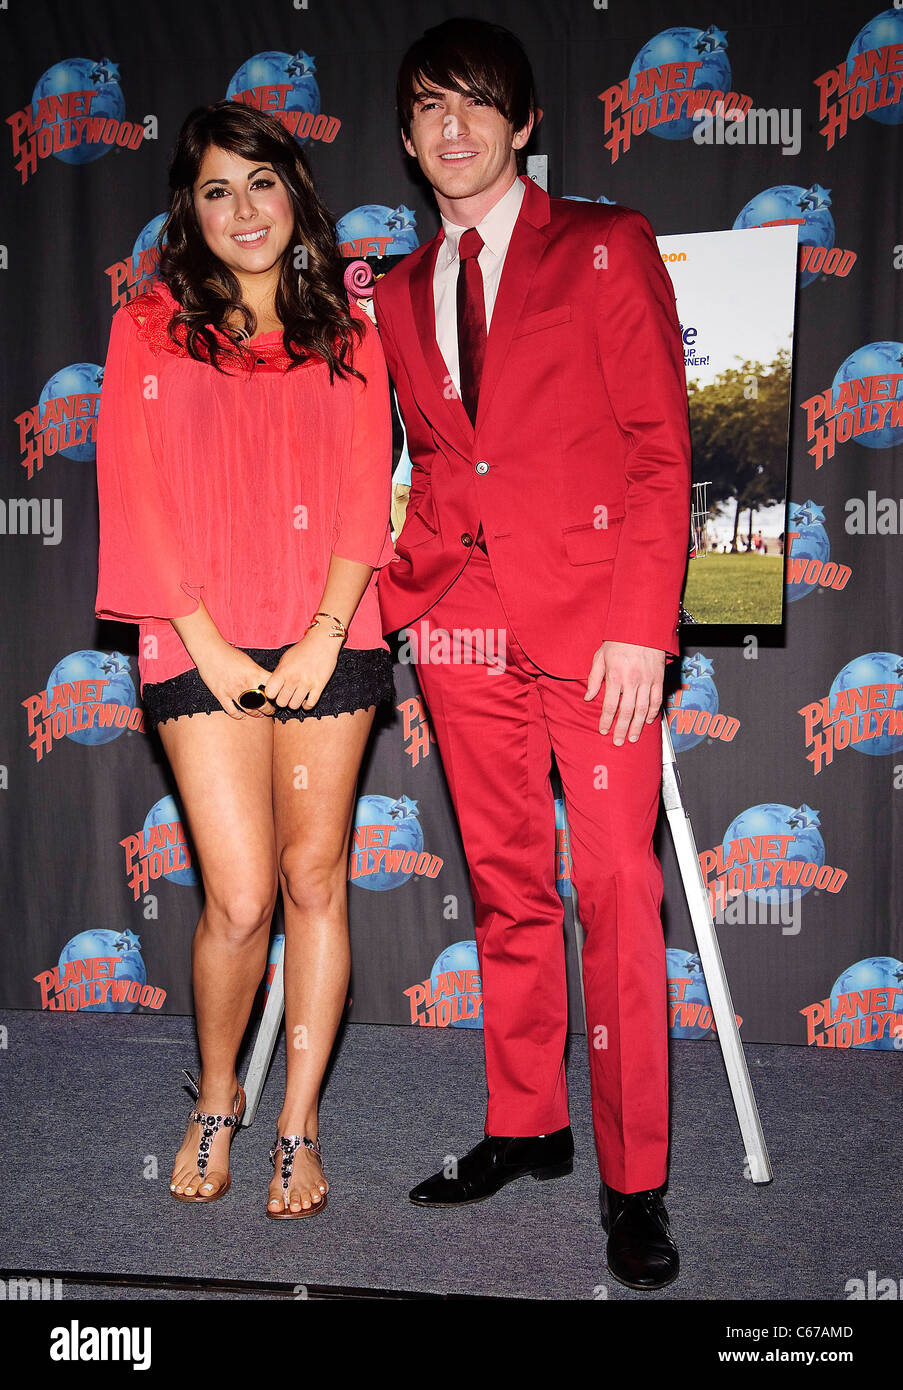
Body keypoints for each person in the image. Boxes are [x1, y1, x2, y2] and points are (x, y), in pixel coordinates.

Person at [373, 19, 691, 1290]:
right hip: (461, 627)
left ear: (525, 124)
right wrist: (390, 605)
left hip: (595, 628)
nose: (454, 127)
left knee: (614, 889)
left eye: (477, 105)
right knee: (507, 885)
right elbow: (446, 470)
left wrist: (640, 627)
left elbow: (661, 447)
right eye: (430, 109)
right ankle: (528, 1125)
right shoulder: (398, 292)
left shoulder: (606, 246)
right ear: (405, 140)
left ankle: (634, 1180)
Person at [94, 101, 395, 1218]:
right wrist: (207, 639)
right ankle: (216, 1097)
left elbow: (371, 485)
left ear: (295, 192)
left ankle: (298, 1122)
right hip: (194, 635)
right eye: (217, 190)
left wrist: (324, 633)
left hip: (331, 634)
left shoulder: (352, 325)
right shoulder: (147, 329)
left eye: (261, 183)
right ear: (193, 209)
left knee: (315, 883)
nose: (243, 209)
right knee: (237, 898)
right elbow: (131, 489)